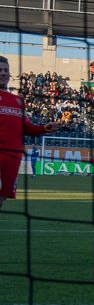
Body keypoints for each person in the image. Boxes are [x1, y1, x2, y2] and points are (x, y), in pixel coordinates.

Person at [0, 56, 55, 207]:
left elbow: (26, 128)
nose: (3, 73)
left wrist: (44, 128)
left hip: (13, 157)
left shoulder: (18, 101)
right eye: (0, 70)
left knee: (2, 198)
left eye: (6, 70)